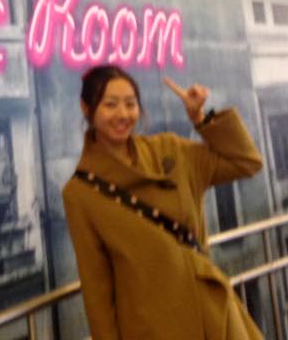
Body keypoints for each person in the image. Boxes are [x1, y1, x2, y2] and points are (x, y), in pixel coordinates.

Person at [62, 65, 264, 340]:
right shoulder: (80, 193)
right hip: (152, 330)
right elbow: (98, 290)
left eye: (130, 104)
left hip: (212, 314)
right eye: (110, 104)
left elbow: (246, 162)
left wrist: (200, 118)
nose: (123, 114)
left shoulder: (170, 150)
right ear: (86, 108)